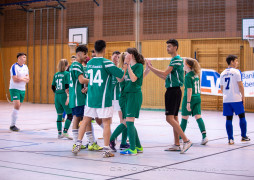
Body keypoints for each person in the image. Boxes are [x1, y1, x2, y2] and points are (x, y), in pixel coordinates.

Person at [72, 40, 127, 157]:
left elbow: (88, 79)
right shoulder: (106, 63)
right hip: (104, 98)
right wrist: (126, 65)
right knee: (106, 123)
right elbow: (121, 75)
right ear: (104, 49)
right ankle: (106, 150)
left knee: (85, 120)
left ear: (94, 50)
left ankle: (77, 143)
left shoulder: (89, 63)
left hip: (90, 98)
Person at [146, 39, 192, 154]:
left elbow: (165, 73)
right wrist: (151, 69)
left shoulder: (176, 60)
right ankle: (177, 144)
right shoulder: (174, 60)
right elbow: (164, 77)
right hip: (173, 90)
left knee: (169, 118)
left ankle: (186, 140)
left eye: (170, 46)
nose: (167, 48)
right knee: (174, 118)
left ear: (176, 47)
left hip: (173, 92)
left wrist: (150, 67)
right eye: (167, 46)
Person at [69, 45, 101, 151]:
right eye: (85, 54)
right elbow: (82, 80)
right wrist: (93, 80)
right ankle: (90, 142)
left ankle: (77, 142)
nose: (86, 56)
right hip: (79, 98)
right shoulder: (77, 65)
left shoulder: (74, 65)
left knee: (77, 118)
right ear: (79, 54)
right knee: (85, 119)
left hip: (75, 97)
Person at [117, 48, 144, 155]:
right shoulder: (129, 66)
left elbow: (133, 79)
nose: (125, 55)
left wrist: (127, 66)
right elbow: (121, 79)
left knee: (129, 121)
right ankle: (138, 147)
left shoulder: (138, 66)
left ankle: (132, 148)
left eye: (127, 54)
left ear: (131, 55)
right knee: (129, 121)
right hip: (127, 96)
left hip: (134, 95)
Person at [220, 55, 250, 145]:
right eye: (236, 61)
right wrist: (243, 97)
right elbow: (240, 85)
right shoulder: (237, 72)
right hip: (236, 98)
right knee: (242, 116)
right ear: (232, 62)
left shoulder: (222, 73)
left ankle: (230, 139)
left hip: (226, 99)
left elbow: (222, 88)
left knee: (228, 118)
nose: (237, 63)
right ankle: (244, 136)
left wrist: (226, 94)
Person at [180, 58, 208, 145]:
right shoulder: (196, 74)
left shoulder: (188, 76)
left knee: (184, 117)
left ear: (188, 65)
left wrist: (188, 102)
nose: (183, 65)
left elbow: (189, 90)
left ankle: (180, 137)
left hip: (190, 98)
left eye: (184, 64)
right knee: (198, 116)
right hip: (197, 97)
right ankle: (204, 136)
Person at [51, 59, 73, 139]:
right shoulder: (67, 74)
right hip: (64, 95)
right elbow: (67, 85)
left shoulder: (56, 74)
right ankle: (65, 132)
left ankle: (59, 133)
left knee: (59, 115)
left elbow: (52, 86)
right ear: (67, 66)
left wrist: (57, 92)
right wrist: (68, 96)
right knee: (70, 115)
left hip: (57, 95)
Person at [9, 53, 30, 132]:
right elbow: (15, 79)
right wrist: (23, 78)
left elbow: (28, 79)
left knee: (18, 107)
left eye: (25, 57)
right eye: (24, 57)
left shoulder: (26, 67)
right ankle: (12, 125)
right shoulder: (14, 66)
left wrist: (21, 78)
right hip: (14, 88)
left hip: (22, 89)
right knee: (17, 105)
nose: (25, 58)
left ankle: (13, 123)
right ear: (19, 58)